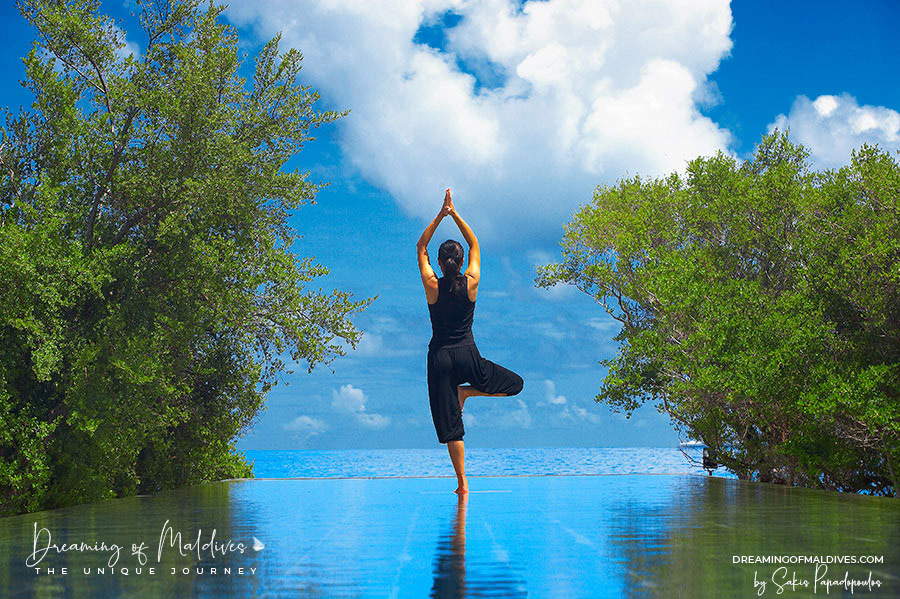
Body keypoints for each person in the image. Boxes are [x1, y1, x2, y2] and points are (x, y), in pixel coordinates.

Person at [416, 188, 524, 494]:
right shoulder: (471, 283)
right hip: (467, 353)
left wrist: (441, 214)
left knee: (451, 424)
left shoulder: (431, 285)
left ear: (439, 261)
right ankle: (468, 393)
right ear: (461, 261)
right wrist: (455, 213)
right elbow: (475, 243)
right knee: (515, 384)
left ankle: (462, 483)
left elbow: (420, 245)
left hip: (440, 357)